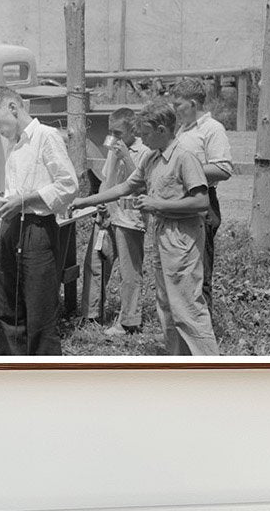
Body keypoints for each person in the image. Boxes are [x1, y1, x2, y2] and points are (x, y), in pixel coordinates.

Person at [73, 102, 218, 356]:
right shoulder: (152, 157)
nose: (142, 138)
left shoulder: (184, 156)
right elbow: (125, 187)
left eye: (146, 133)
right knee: (167, 305)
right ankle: (178, 361)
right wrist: (85, 201)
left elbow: (201, 202)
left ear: (162, 130)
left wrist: (156, 203)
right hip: (162, 236)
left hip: (183, 238)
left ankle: (208, 365)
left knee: (188, 308)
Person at [0, 86, 78, 355]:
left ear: (13, 108)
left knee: (39, 312)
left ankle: (45, 378)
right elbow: (12, 198)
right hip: (11, 228)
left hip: (38, 232)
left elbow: (68, 186)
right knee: (10, 308)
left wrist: (25, 200)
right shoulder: (11, 143)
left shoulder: (46, 136)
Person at [79, 108, 149, 336]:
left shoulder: (144, 151)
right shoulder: (112, 149)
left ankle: (129, 321)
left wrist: (126, 158)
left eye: (119, 132)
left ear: (133, 129)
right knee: (96, 262)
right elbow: (106, 179)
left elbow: (142, 184)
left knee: (129, 273)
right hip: (109, 214)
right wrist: (100, 203)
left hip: (130, 218)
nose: (114, 137)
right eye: (111, 132)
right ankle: (90, 315)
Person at [172, 77, 233, 313]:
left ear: (194, 103)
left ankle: (204, 333)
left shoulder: (212, 129)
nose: (175, 110)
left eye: (179, 105)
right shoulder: (184, 129)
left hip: (202, 204)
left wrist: (183, 168)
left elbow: (224, 169)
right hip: (181, 203)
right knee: (182, 267)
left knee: (200, 271)